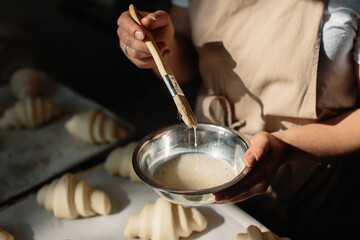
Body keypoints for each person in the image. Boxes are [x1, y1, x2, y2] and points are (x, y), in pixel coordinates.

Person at [117, 0, 360, 239]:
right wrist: (161, 46)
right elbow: (186, 64)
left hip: (310, 183)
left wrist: (284, 148)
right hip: (208, 167)